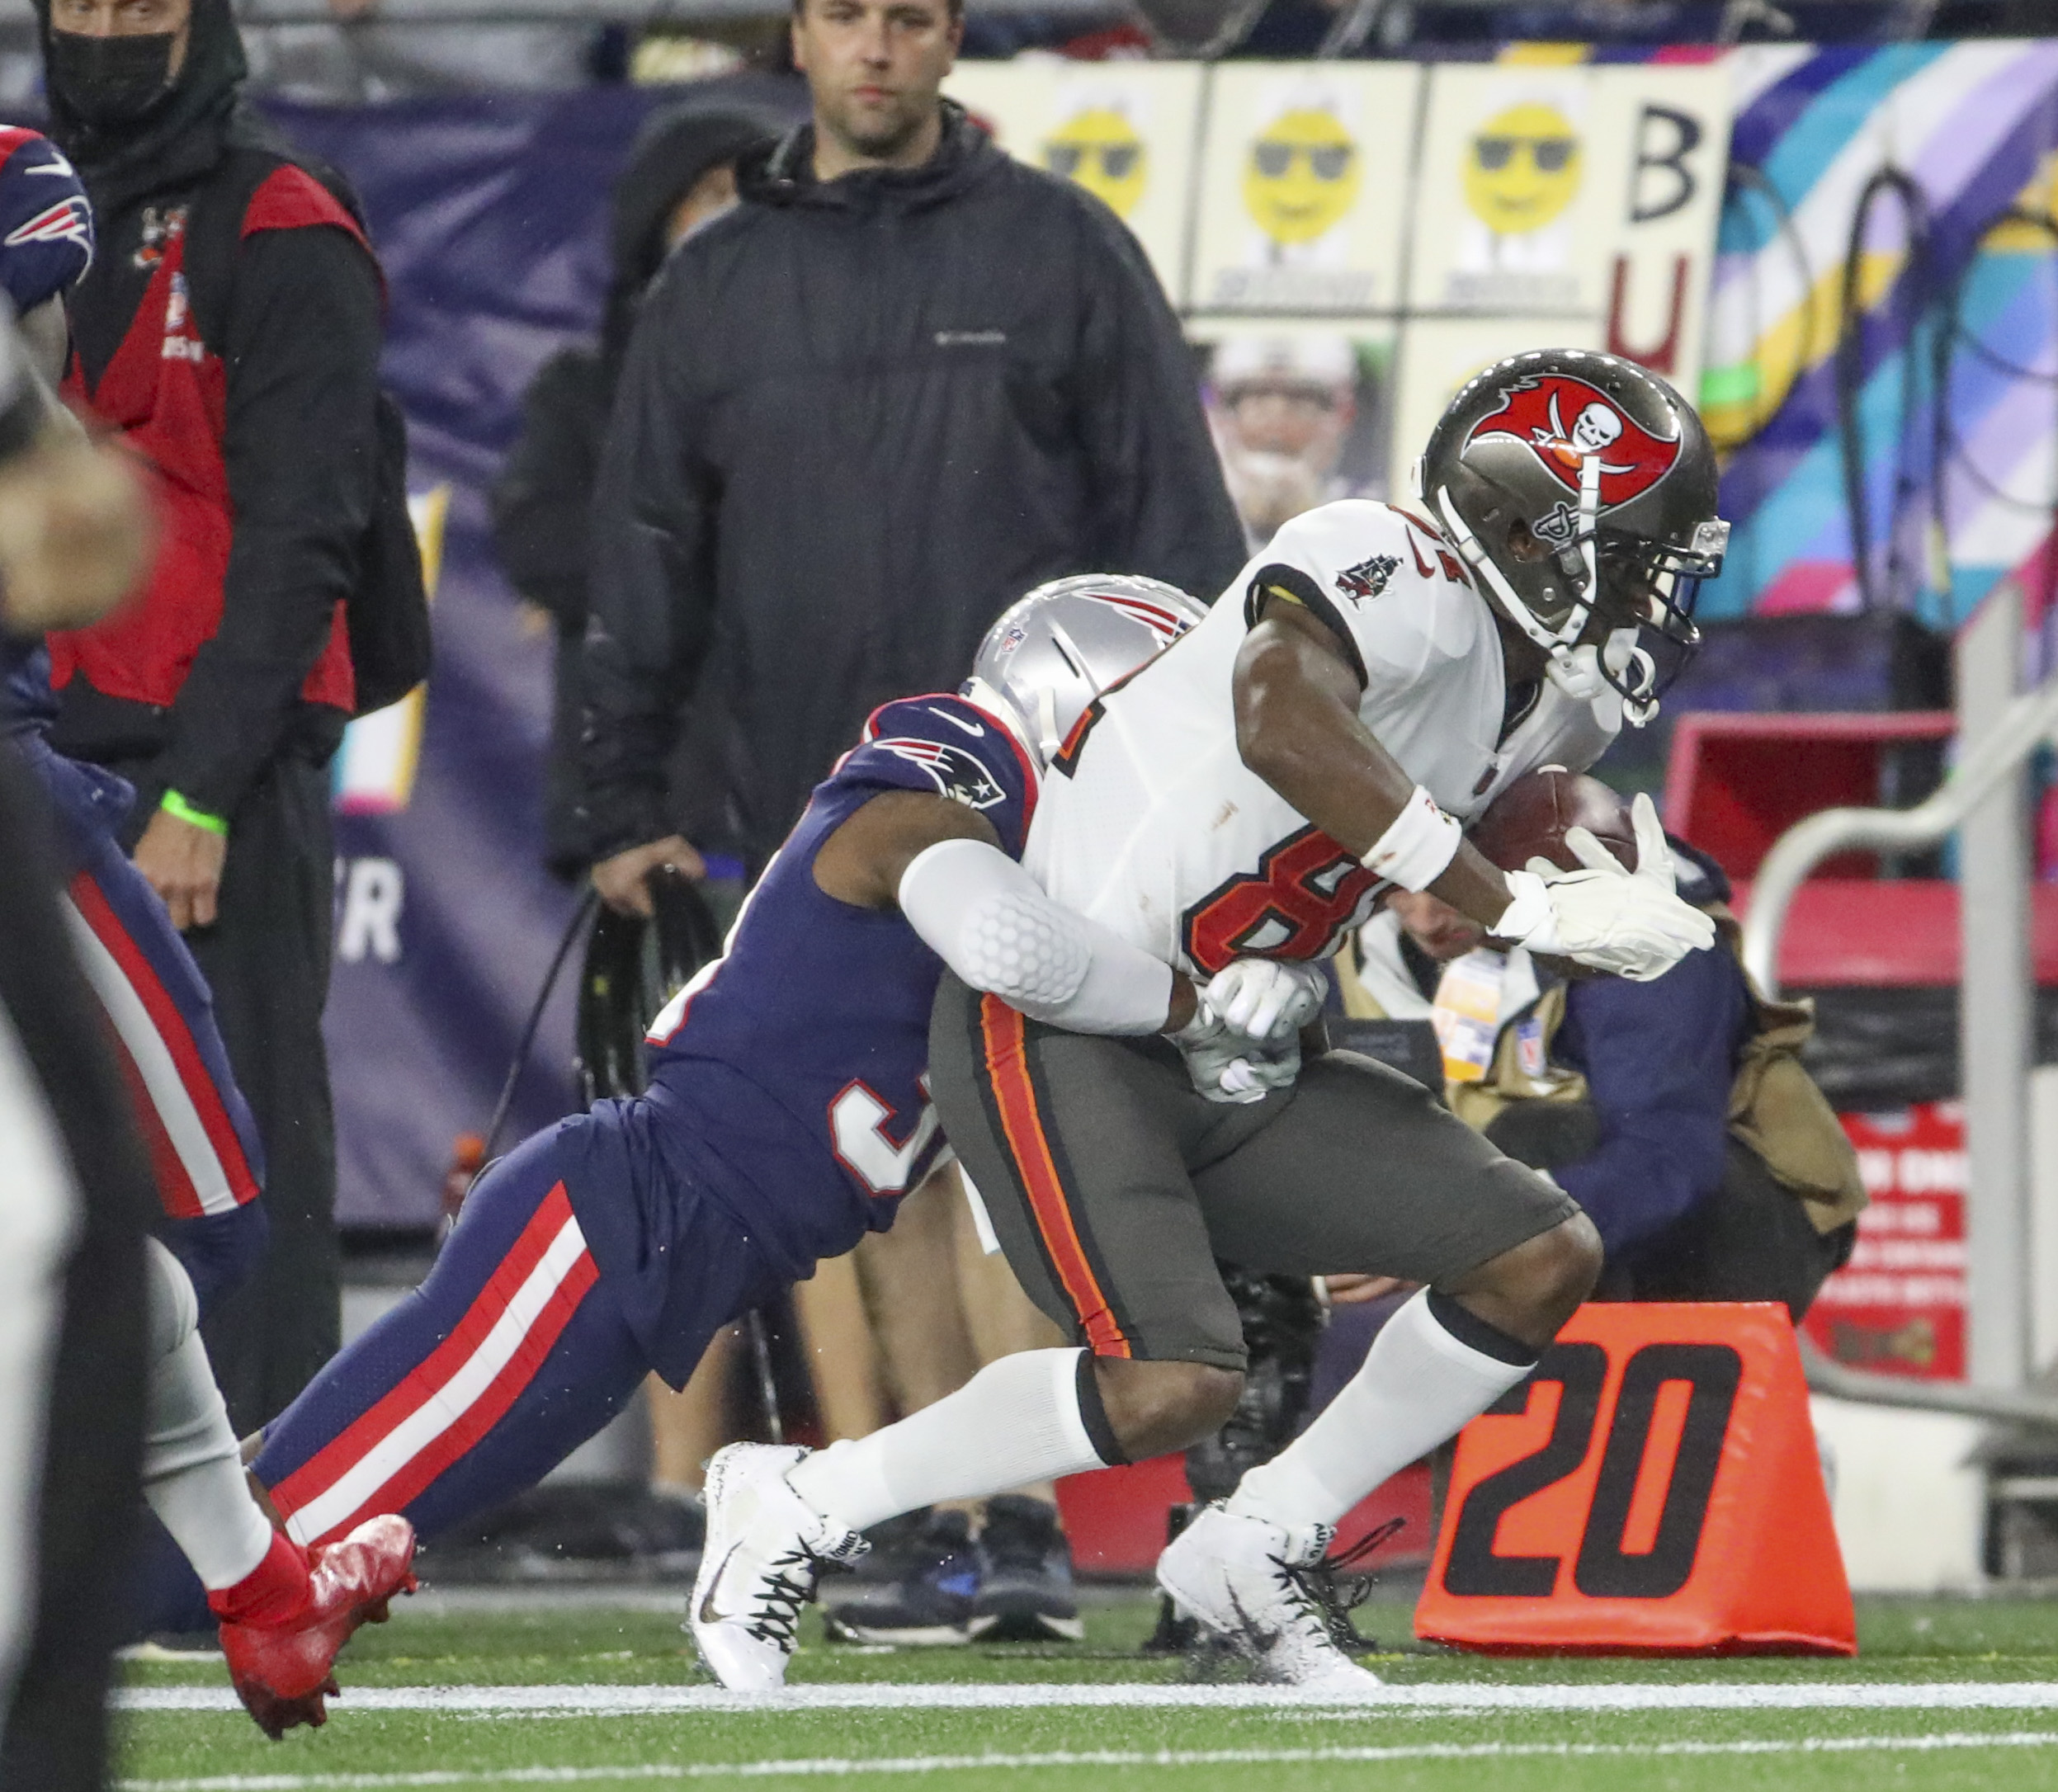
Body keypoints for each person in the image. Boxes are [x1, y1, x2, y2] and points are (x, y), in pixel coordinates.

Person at [687, 347, 1729, 1694]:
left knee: (1533, 1253)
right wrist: (1503, 902)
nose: (1657, 588)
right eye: (1635, 549)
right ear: (1529, 530)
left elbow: (1345, 851)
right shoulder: (1386, 560)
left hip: (1233, 1041)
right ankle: (797, 1499)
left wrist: (1557, 883)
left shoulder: (1559, 704)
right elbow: (1278, 719)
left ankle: (1255, 1545)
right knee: (1171, 1377)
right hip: (1063, 1016)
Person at [120, 581, 1275, 1641]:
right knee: (259, 1560)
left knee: (288, 1518)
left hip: (647, 1263)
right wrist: (1194, 1004)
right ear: (1075, 703)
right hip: (611, 1228)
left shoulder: (1060, 862)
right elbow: (999, 938)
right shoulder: (941, 778)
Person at [581, 0, 1245, 909]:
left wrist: (1201, 781)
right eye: (846, 16)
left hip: (1046, 826)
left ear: (953, 41)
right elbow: (646, 548)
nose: (876, 48)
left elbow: (1179, 534)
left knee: (1021, 1062)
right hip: (798, 824)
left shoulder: (1066, 248)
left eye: (909, 20)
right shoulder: (710, 282)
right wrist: (621, 810)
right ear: (800, 36)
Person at [34, 0, 389, 1432]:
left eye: (148, 3)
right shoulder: (21, 206)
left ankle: (277, 1489)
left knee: (240, 1157)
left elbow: (309, 527)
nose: (112, 28)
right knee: (46, 1149)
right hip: (31, 752)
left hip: (204, 777)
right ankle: (74, 1490)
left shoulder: (282, 218)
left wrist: (202, 791)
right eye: (85, 2)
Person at [1346, 781, 1864, 1318]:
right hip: (1506, 1211)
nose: (1425, 917)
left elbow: (1668, 1160)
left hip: (1721, 1220)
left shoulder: (1630, 941)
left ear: (1519, 860)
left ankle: (1572, 1376)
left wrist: (1463, 1235)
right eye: (1402, 884)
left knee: (1530, 1138)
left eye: (1447, 886)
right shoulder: (1357, 937)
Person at [492, 92, 784, 879]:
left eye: (755, 197)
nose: (735, 218)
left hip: (795, 807)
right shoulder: (583, 393)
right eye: (713, 196)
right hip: (647, 821)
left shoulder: (823, 392)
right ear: (658, 221)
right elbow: (540, 543)